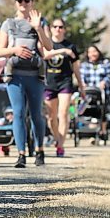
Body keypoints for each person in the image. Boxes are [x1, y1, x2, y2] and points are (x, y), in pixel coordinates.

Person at [0, 0, 53, 168]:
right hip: (15, 76)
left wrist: (38, 29)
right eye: (20, 0)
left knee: (36, 114)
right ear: (15, 3)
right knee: (19, 113)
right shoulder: (8, 24)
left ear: (32, 2)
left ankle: (40, 151)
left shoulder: (41, 22)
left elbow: (49, 47)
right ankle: (21, 154)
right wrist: (15, 50)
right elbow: (0, 50)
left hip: (35, 76)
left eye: (26, 0)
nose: (23, 4)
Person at [43, 18, 84, 157]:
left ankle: (60, 145)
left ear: (64, 29)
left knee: (63, 113)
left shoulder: (71, 46)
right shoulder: (47, 43)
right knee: (51, 117)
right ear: (51, 28)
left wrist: (81, 86)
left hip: (65, 83)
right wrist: (63, 51)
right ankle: (57, 138)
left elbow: (76, 69)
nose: (58, 29)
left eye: (61, 27)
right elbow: (45, 55)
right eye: (55, 26)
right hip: (49, 83)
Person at [80, 45, 110, 141]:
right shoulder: (84, 65)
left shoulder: (105, 63)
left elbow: (109, 76)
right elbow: (81, 77)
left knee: (102, 110)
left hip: (102, 92)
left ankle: (103, 131)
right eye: (90, 52)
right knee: (89, 111)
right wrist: (83, 84)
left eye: (94, 51)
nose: (93, 54)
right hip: (88, 93)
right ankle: (92, 133)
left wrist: (104, 82)